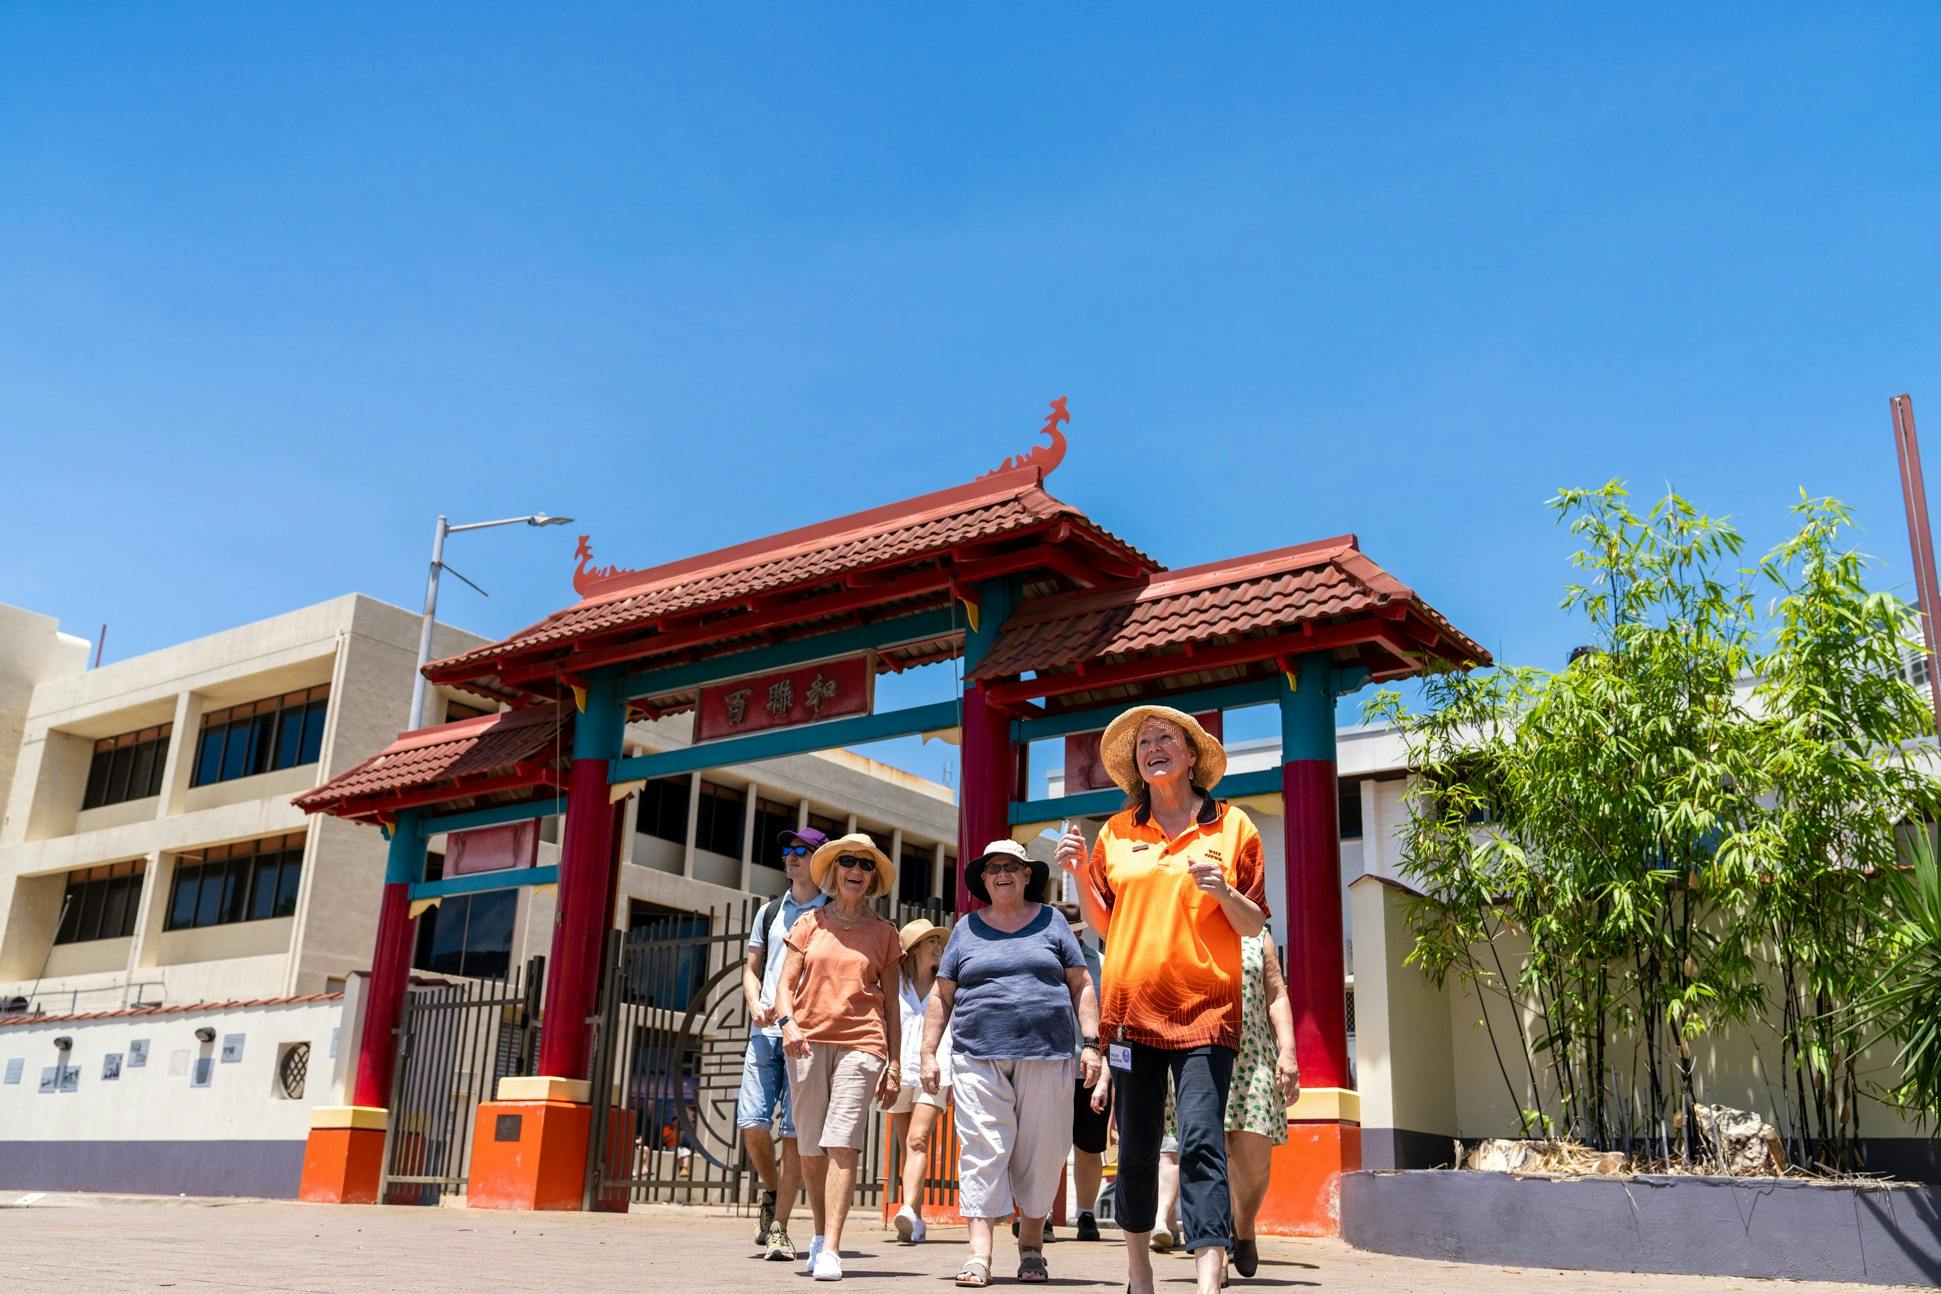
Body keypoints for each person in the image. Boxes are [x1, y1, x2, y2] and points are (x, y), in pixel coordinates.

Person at [1058, 705, 1268, 1294]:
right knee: (1138, 1149)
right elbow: (1103, 924)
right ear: (1136, 763)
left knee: (1202, 1141)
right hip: (1130, 1017)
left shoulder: (1235, 827)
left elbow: (1252, 925)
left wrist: (1224, 890)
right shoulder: (1116, 832)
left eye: (1166, 738)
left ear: (1191, 753)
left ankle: (1207, 1276)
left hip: (1207, 1014)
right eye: (1144, 742)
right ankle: (1138, 1271)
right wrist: (1077, 872)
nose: (1153, 747)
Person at [923, 840, 1100, 1288]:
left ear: (1027, 876)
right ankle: (979, 1255)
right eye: (993, 867)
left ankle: (1032, 1250)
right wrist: (927, 1053)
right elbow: (942, 995)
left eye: (1012, 866)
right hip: (975, 1053)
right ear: (983, 879)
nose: (1002, 873)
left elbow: (1081, 985)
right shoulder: (964, 929)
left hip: (1049, 1053)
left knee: (1041, 1156)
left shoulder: (1053, 922)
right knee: (984, 1149)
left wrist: (1093, 1044)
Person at [1110, 928, 1301, 1277]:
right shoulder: (1181, 928)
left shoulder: (1256, 935)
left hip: (1251, 1056)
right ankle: (1219, 1246)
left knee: (1252, 1158)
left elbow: (1276, 994)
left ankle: (1243, 1226)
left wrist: (1287, 1050)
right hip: (1196, 1053)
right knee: (1207, 1147)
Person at [774, 832, 902, 1283]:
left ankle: (831, 1248)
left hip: (863, 1045)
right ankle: (818, 1233)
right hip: (806, 1042)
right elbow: (784, 987)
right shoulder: (808, 924)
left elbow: (891, 1006)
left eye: (866, 865)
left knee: (841, 1141)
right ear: (833, 871)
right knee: (811, 1148)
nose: (856, 870)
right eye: (848, 861)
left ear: (872, 879)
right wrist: (787, 1024)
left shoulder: (886, 935)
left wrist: (895, 1063)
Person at [735, 825, 829, 1261]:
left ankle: (780, 1227)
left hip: (806, 1037)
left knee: (793, 1134)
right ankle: (772, 1192)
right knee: (752, 1123)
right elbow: (751, 968)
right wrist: (755, 1001)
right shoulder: (771, 911)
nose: (791, 856)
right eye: (788, 849)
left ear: (820, 859)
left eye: (802, 850)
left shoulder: (832, 914)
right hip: (763, 1031)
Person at [888, 918, 953, 1244]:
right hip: (900, 1071)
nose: (938, 946)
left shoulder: (946, 985)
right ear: (913, 950)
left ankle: (908, 1211)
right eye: (931, 941)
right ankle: (917, 1216)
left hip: (935, 1072)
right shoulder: (895, 985)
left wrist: (952, 1076)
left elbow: (953, 1032)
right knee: (907, 1148)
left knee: (917, 1140)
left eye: (938, 941)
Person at [1053, 900, 1109, 1242]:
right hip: (1047, 1066)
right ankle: (1040, 1214)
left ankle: (1086, 1214)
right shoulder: (1040, 960)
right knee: (1045, 1145)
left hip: (1092, 1066)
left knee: (1089, 1146)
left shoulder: (1102, 964)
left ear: (1081, 932)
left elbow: (1110, 1018)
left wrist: (1107, 1071)